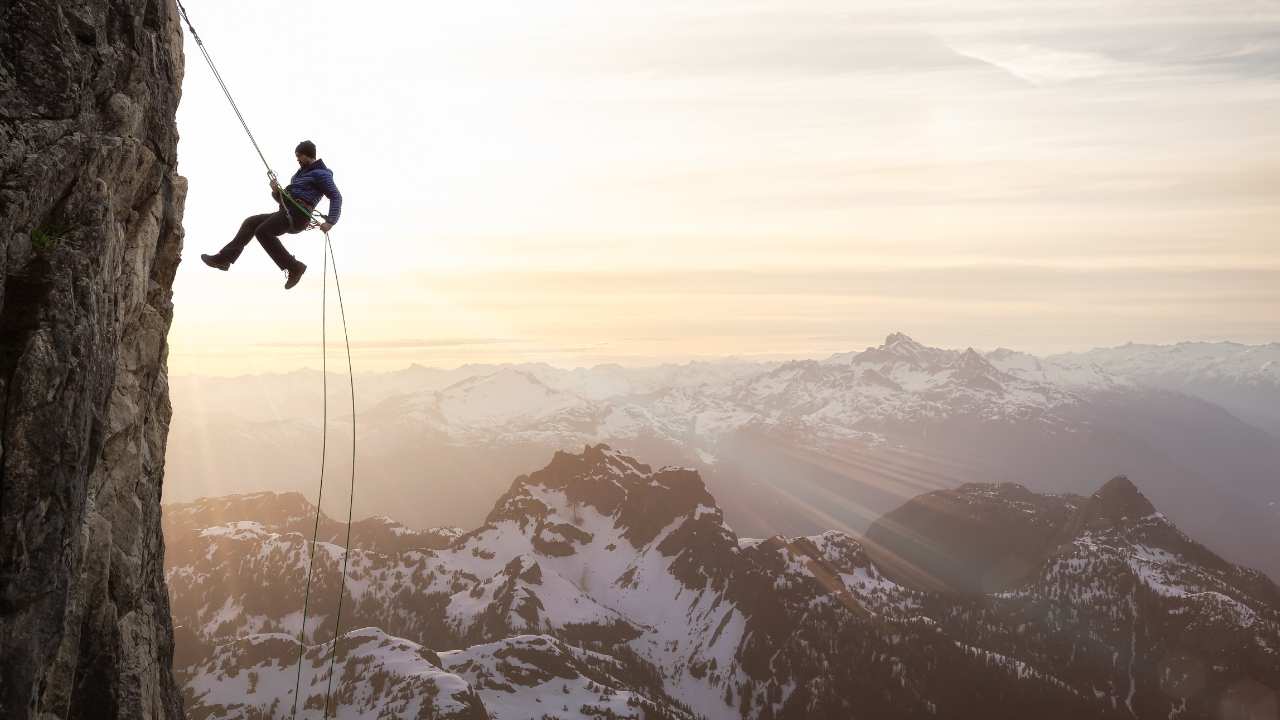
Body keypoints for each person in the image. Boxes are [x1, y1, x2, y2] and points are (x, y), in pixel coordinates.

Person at [200, 140, 343, 289]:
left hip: (298, 215)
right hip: (288, 211)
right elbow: (284, 201)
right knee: (251, 222)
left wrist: (331, 221)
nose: (297, 160)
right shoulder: (299, 175)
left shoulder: (322, 174)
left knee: (263, 231)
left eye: (299, 156)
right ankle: (224, 259)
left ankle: (294, 267)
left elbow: (336, 196)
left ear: (307, 155)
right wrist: (276, 191)